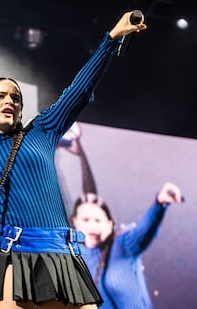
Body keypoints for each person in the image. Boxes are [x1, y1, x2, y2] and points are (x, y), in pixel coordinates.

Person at [0, 11, 147, 309]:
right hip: (10, 257)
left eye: (16, 97)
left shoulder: (42, 130)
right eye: (0, 96)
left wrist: (111, 39)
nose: (9, 101)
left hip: (62, 256)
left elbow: (79, 91)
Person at [60, 123, 184, 309]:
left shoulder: (124, 244)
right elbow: (89, 199)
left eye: (98, 221)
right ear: (75, 223)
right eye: (86, 220)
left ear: (110, 224)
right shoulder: (76, 255)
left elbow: (145, 229)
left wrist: (160, 203)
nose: (92, 226)